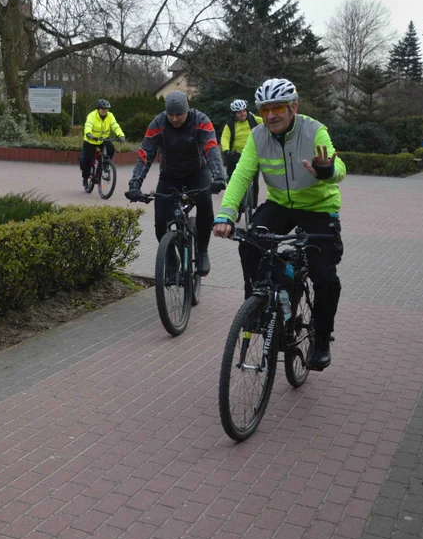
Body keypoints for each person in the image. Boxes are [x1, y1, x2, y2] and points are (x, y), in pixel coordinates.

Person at [212, 78, 345, 370]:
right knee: (249, 244)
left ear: (293, 107)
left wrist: (326, 171)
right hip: (280, 205)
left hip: (319, 208)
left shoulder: (314, 130)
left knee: (325, 276)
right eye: (265, 109)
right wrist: (226, 213)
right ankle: (257, 304)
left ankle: (321, 338)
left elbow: (339, 168)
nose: (271, 115)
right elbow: (241, 176)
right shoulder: (258, 136)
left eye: (278, 108)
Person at [125, 91, 226, 276]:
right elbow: (145, 154)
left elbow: (211, 148)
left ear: (187, 110)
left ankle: (202, 251)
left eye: (179, 114)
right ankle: (171, 256)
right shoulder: (158, 123)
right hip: (170, 175)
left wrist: (219, 177)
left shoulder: (200, 120)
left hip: (197, 172)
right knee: (160, 221)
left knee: (205, 204)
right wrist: (134, 185)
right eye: (170, 114)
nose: (174, 119)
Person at [221, 99, 263, 205]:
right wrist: (226, 150)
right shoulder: (230, 124)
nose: (243, 113)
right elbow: (225, 137)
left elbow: (266, 121)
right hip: (236, 154)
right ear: (235, 114)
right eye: (239, 112)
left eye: (244, 111)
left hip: (253, 153)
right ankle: (234, 199)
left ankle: (253, 203)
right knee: (232, 176)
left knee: (255, 179)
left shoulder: (253, 119)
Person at [82, 99, 126, 189]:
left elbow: (115, 125)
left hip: (103, 139)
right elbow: (88, 125)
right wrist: (88, 134)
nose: (105, 111)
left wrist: (121, 135)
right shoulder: (92, 115)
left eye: (106, 109)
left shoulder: (110, 116)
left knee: (111, 149)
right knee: (87, 159)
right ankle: (85, 178)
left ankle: (105, 164)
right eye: (103, 109)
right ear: (98, 109)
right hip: (91, 140)